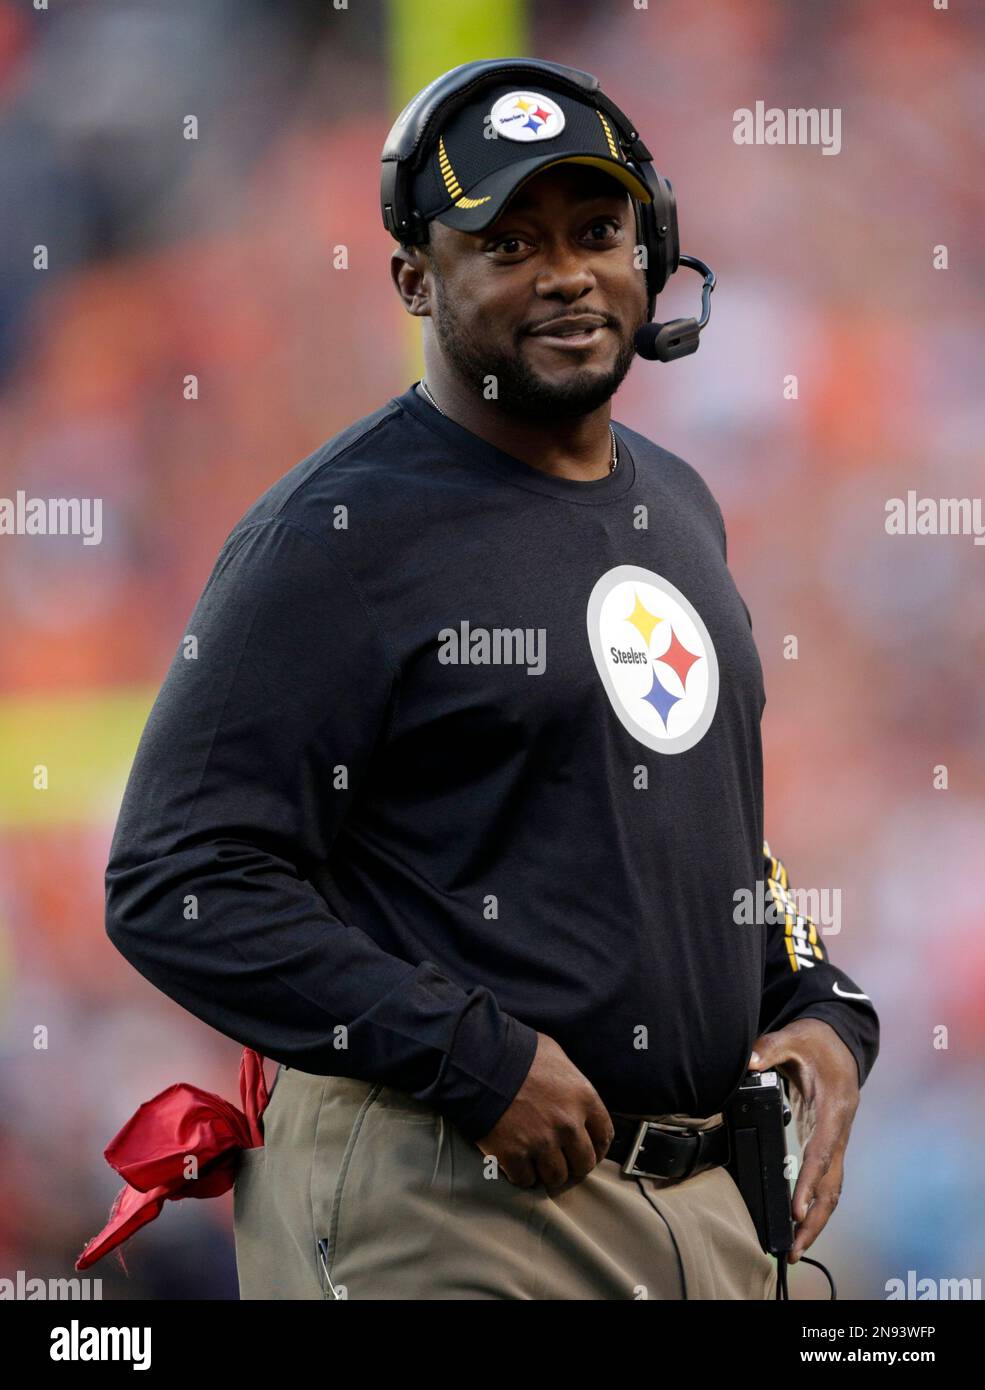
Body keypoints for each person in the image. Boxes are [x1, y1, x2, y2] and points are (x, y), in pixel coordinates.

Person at [103, 59, 879, 1300]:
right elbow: (175, 881)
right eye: (507, 241)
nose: (567, 270)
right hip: (452, 1200)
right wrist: (466, 1055)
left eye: (598, 230)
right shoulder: (332, 537)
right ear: (417, 278)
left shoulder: (677, 504)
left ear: (652, 249)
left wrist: (828, 1009)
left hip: (694, 1208)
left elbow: (703, 844)